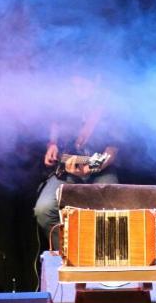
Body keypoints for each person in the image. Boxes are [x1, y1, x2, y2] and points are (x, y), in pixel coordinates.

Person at [32, 75, 118, 239]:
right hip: (67, 169)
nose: (78, 88)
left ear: (96, 80)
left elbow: (111, 152)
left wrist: (90, 168)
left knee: (112, 212)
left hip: (101, 171)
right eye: (75, 84)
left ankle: (100, 251)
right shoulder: (65, 103)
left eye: (83, 83)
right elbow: (55, 125)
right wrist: (52, 145)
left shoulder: (112, 107)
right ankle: (65, 250)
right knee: (44, 210)